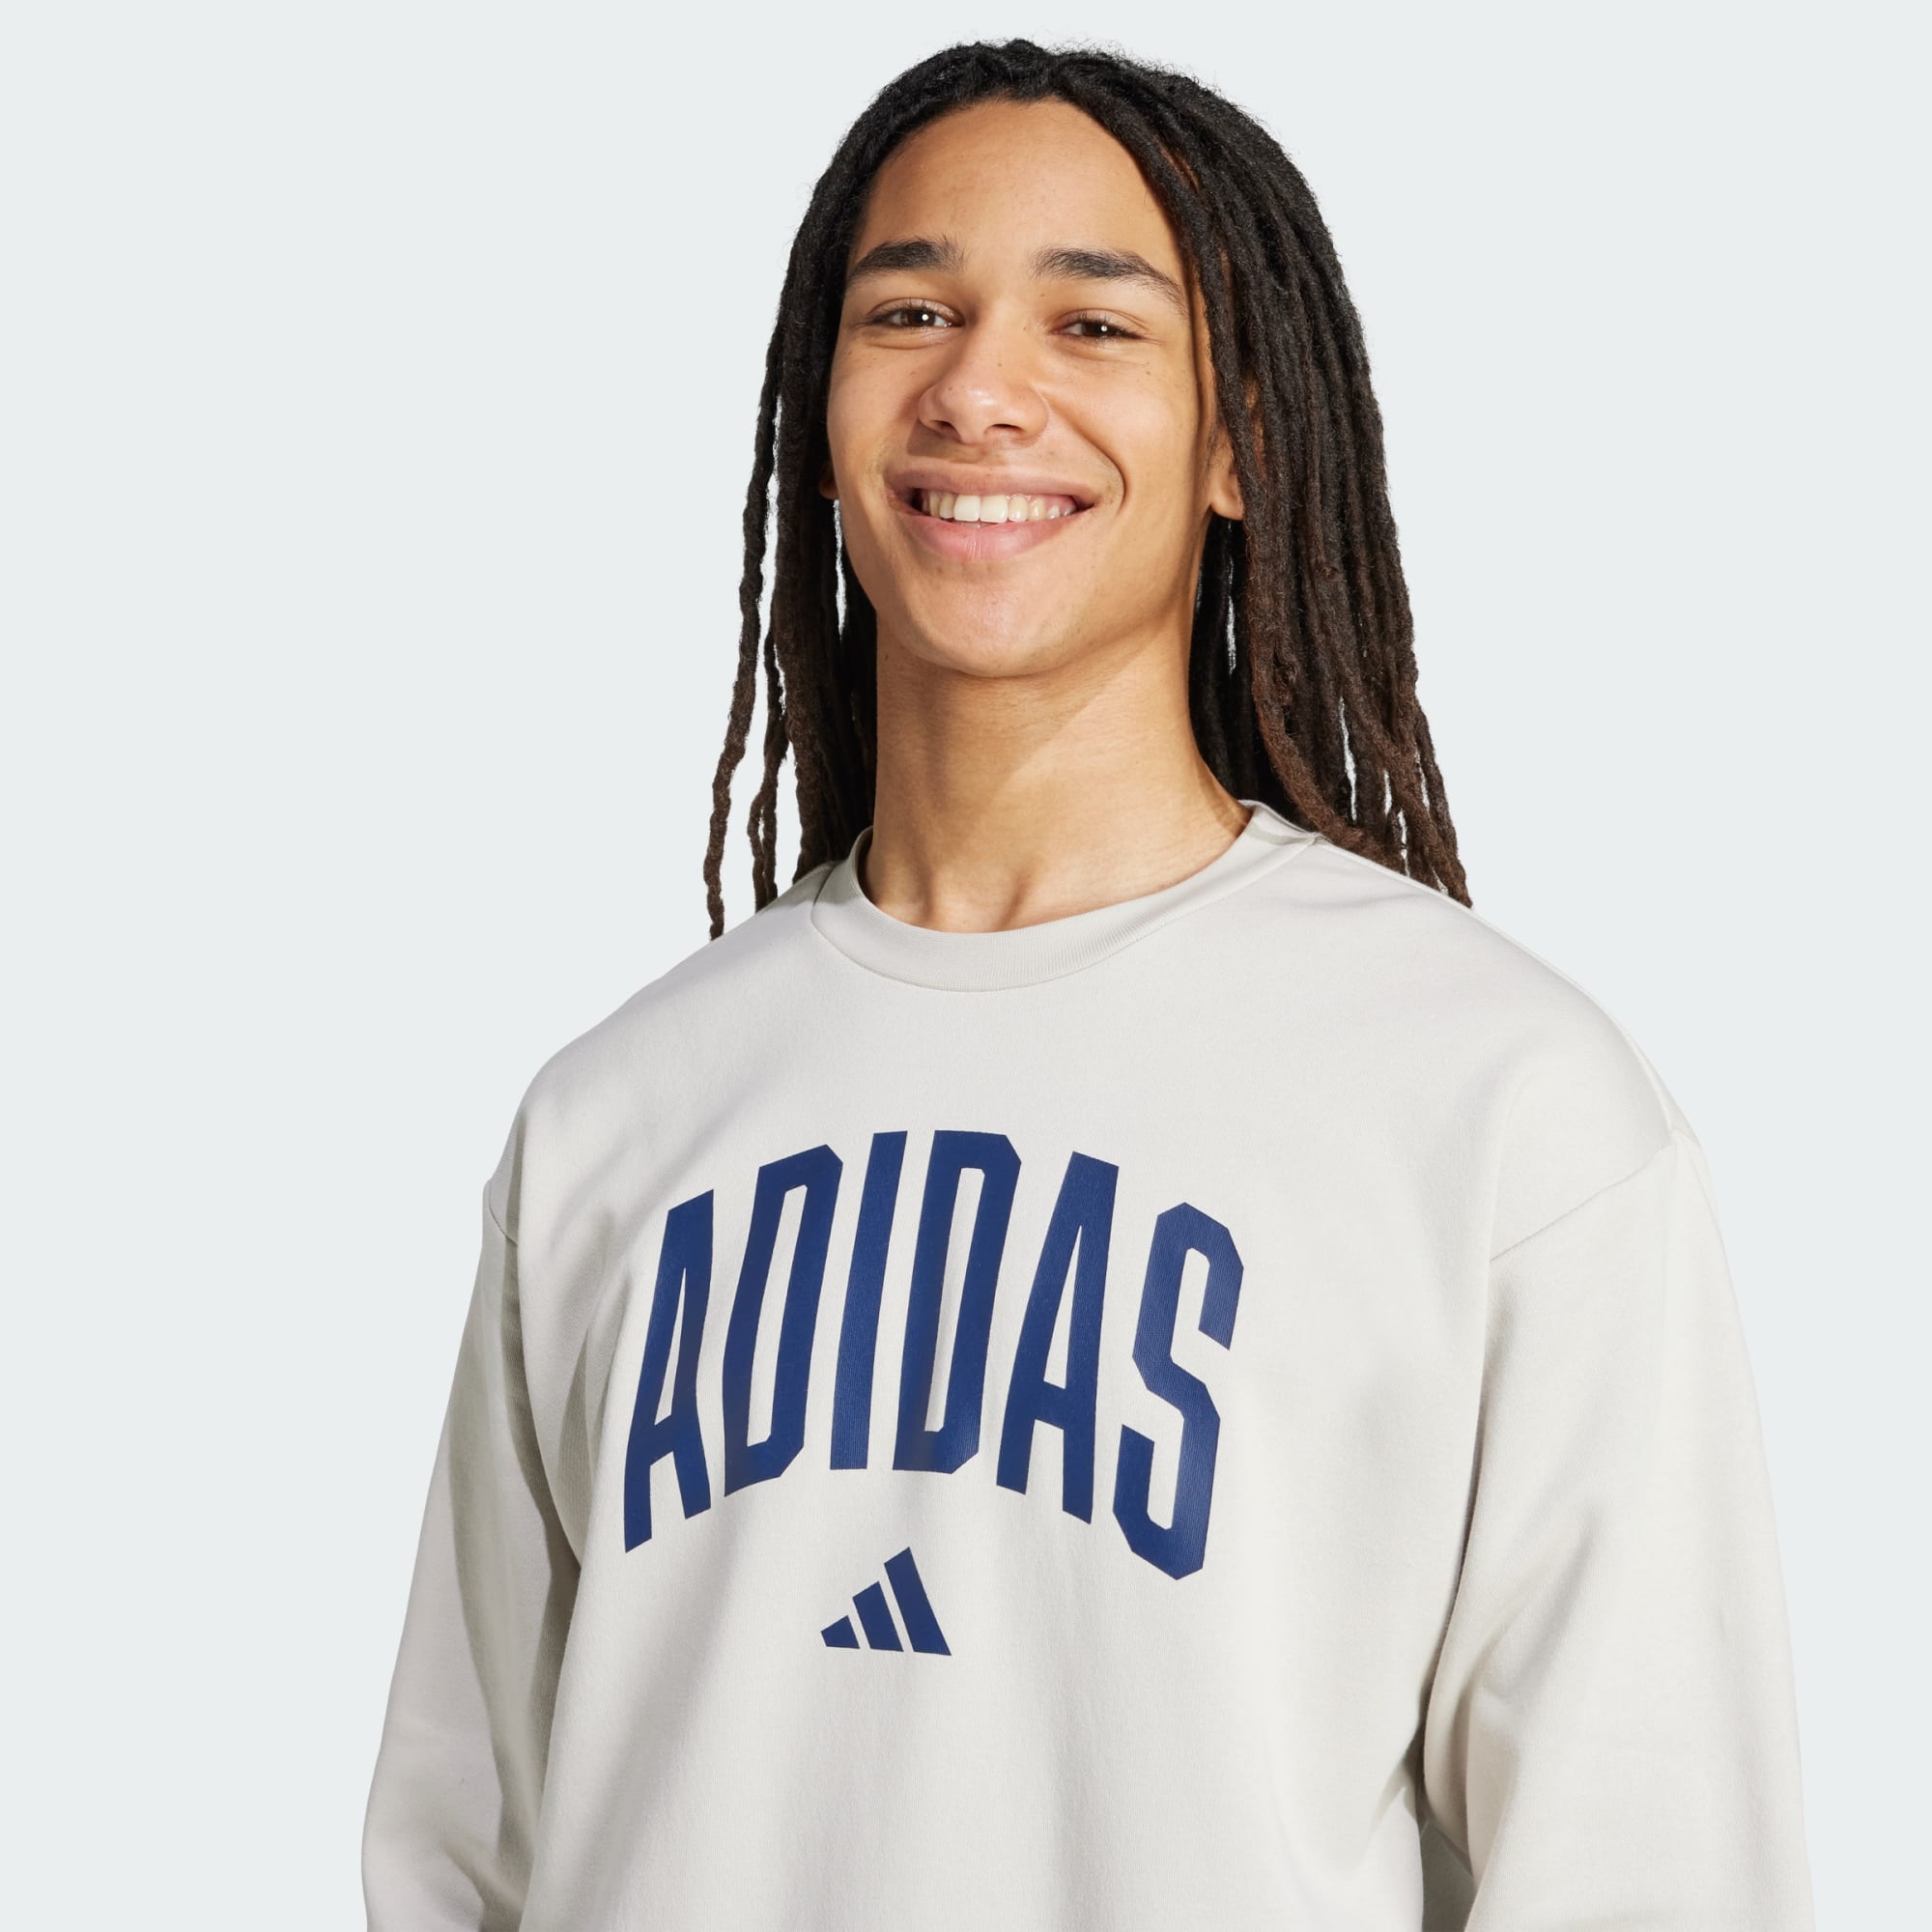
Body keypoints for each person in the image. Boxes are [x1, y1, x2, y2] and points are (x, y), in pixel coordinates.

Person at [361, 38, 1814, 1930]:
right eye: (911, 311)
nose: (979, 388)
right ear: (820, 406)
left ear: (1240, 444)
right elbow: (461, 1859)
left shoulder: (1497, 1107)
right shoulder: (615, 1119)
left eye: (1094, 325)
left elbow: (1649, 1871)